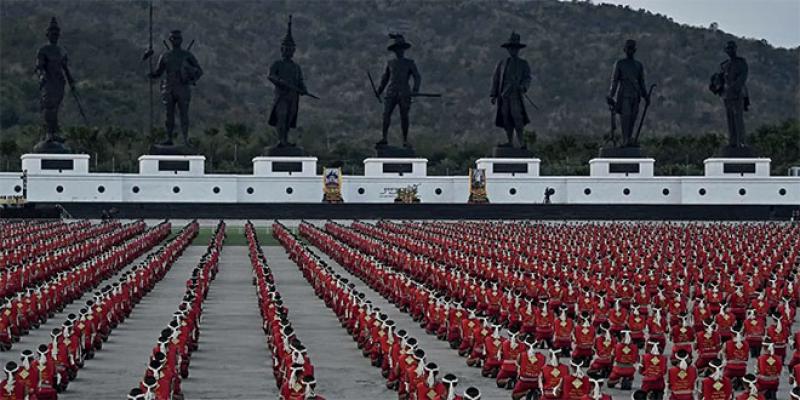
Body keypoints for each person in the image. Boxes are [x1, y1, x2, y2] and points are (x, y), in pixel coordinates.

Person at [149, 29, 203, 146]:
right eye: (173, 38)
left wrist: (190, 78)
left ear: (181, 40)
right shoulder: (165, 56)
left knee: (184, 114)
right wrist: (148, 59)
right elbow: (157, 73)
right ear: (170, 40)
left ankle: (185, 139)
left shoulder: (187, 55)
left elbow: (199, 71)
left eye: (178, 38)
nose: (175, 40)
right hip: (169, 87)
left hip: (183, 87)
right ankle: (169, 138)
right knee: (169, 115)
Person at [268, 15, 310, 149]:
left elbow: (300, 81)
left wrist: (304, 89)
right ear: (282, 49)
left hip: (293, 96)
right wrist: (280, 82)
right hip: (281, 96)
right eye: (285, 48)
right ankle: (281, 140)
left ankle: (285, 139)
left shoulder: (296, 67)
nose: (288, 51)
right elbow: (271, 76)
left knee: (289, 119)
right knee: (281, 116)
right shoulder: (277, 64)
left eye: (290, 49)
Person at [36, 17, 76, 145]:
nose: (55, 36)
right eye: (52, 34)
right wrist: (41, 75)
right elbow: (39, 67)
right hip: (48, 82)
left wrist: (71, 82)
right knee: (49, 107)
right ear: (48, 35)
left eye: (56, 34)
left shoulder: (61, 51)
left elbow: (65, 68)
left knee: (56, 108)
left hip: (59, 83)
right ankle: (49, 133)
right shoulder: (43, 50)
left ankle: (54, 133)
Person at [376, 34, 421, 148]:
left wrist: (415, 89)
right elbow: (385, 79)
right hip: (391, 92)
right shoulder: (390, 63)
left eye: (400, 49)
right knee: (386, 115)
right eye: (397, 49)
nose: (399, 51)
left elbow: (417, 76)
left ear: (403, 50)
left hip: (404, 92)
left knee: (404, 116)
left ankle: (405, 140)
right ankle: (384, 138)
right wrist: (379, 91)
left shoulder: (409, 63)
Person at [490, 32, 532, 149]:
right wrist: (494, 95)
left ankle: (521, 142)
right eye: (511, 48)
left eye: (515, 49)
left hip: (516, 96)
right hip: (504, 96)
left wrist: (523, 87)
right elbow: (496, 78)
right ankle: (510, 142)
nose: (513, 51)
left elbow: (527, 78)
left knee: (517, 118)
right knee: (506, 119)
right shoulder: (502, 64)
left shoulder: (523, 64)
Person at [606, 39, 650, 147]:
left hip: (635, 95)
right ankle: (625, 139)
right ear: (624, 50)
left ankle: (629, 139)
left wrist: (645, 96)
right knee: (626, 117)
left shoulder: (638, 65)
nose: (630, 51)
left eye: (632, 49)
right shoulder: (620, 64)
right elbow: (615, 81)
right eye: (628, 48)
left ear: (634, 50)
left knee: (632, 118)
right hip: (624, 95)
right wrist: (611, 95)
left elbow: (641, 82)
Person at [709, 41, 749, 149]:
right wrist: (716, 84)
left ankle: (741, 141)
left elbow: (742, 78)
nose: (730, 51)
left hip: (737, 94)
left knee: (738, 118)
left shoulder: (741, 63)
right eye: (728, 49)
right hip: (726, 95)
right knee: (730, 118)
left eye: (731, 48)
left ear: (735, 49)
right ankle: (732, 141)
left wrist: (734, 88)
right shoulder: (725, 65)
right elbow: (720, 78)